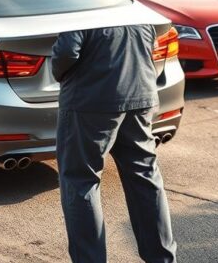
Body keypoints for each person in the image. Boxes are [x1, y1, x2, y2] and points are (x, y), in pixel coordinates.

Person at [51, 24, 177, 263]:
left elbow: (66, 51)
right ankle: (162, 258)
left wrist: (59, 73)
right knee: (145, 176)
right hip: (140, 94)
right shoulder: (128, 6)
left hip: (91, 101)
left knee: (81, 181)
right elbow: (152, 37)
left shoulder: (81, 9)